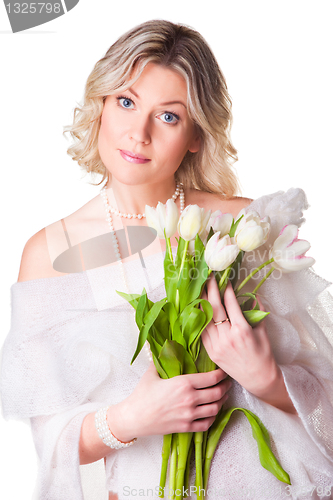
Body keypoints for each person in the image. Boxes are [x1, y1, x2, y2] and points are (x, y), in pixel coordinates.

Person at [1, 19, 333, 500]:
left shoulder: (243, 228)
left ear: (196, 134)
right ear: (100, 104)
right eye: (126, 101)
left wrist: (267, 381)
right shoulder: (48, 254)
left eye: (169, 116)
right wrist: (132, 417)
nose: (138, 133)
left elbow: (326, 393)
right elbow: (51, 442)